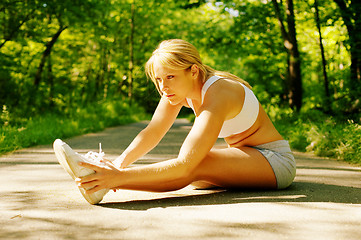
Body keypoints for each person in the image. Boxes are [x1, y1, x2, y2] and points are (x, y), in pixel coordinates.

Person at [53, 39, 296, 205]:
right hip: (245, 155)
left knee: (195, 165)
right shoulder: (177, 90)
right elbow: (153, 131)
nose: (163, 86)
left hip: (274, 161)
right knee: (196, 177)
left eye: (170, 77)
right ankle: (106, 177)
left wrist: (116, 177)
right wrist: (119, 163)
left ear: (193, 71)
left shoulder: (219, 92)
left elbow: (186, 162)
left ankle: (105, 183)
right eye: (159, 79)